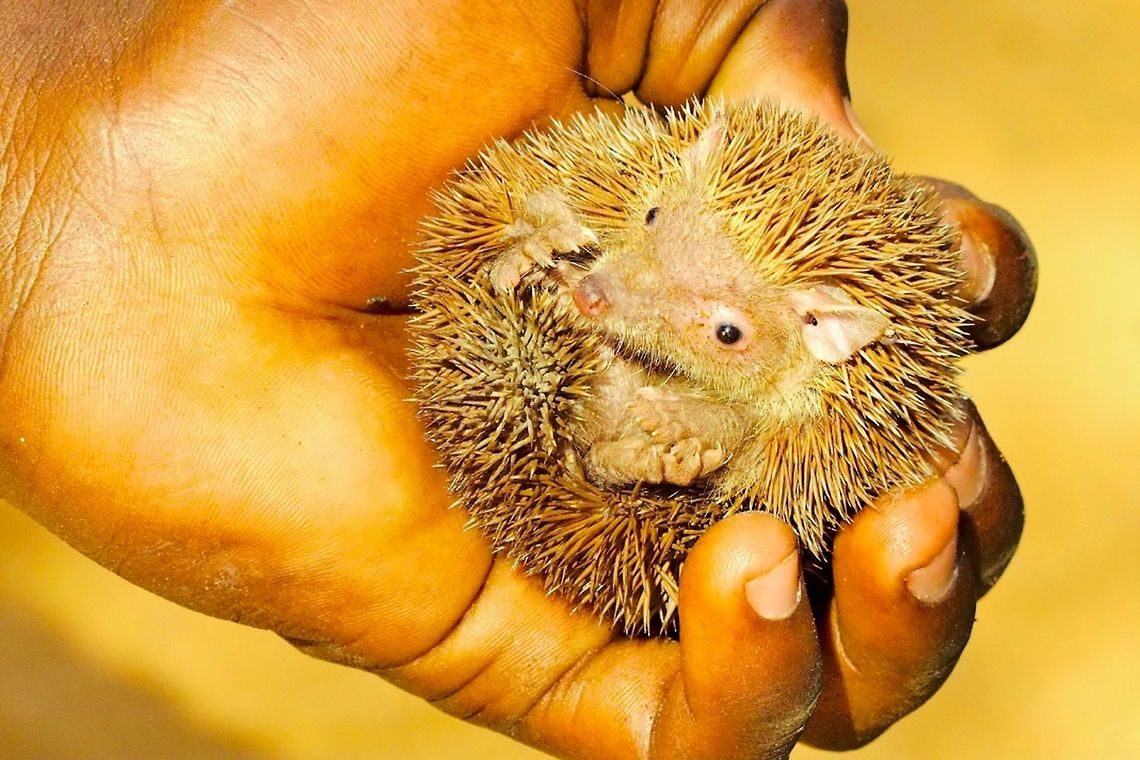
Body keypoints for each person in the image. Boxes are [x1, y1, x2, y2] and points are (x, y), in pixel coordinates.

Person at [0, 1, 1033, 757]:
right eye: (656, 227)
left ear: (828, 338)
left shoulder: (807, 431)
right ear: (696, 162)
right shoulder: (599, 218)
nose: (611, 294)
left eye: (722, 329)